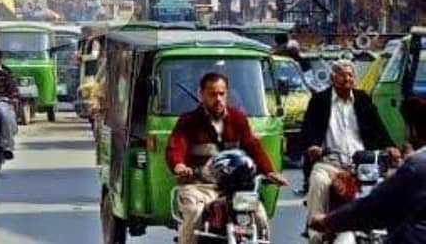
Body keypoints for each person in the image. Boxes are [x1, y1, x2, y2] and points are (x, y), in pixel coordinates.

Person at [166, 72, 288, 244]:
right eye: (212, 94)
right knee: (194, 214)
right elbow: (176, 146)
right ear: (201, 94)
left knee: (259, 216)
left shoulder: (237, 118)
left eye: (221, 93)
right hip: (200, 186)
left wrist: (269, 172)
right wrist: (179, 165)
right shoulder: (188, 120)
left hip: (235, 188)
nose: (218, 99)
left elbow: (253, 146)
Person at [301, 59, 399, 244]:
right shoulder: (319, 100)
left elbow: (378, 128)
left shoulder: (363, 99)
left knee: (384, 187)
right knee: (318, 182)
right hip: (329, 164)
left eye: (350, 75)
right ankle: (316, 234)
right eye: (342, 75)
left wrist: (390, 146)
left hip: (362, 165)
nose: (347, 79)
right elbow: (308, 130)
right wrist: (313, 147)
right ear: (332, 78)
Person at [310, 96, 426, 243]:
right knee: (318, 178)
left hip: (369, 163)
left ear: (414, 129)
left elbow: (374, 209)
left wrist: (328, 221)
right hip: (333, 163)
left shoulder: (416, 166)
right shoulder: (320, 103)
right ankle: (314, 236)